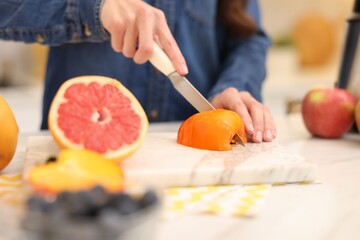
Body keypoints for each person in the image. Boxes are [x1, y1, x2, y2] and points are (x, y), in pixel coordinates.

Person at [0, 0, 276, 143]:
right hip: (78, 158)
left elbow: (248, 39)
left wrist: (233, 85)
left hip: (195, 159)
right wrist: (93, 7)